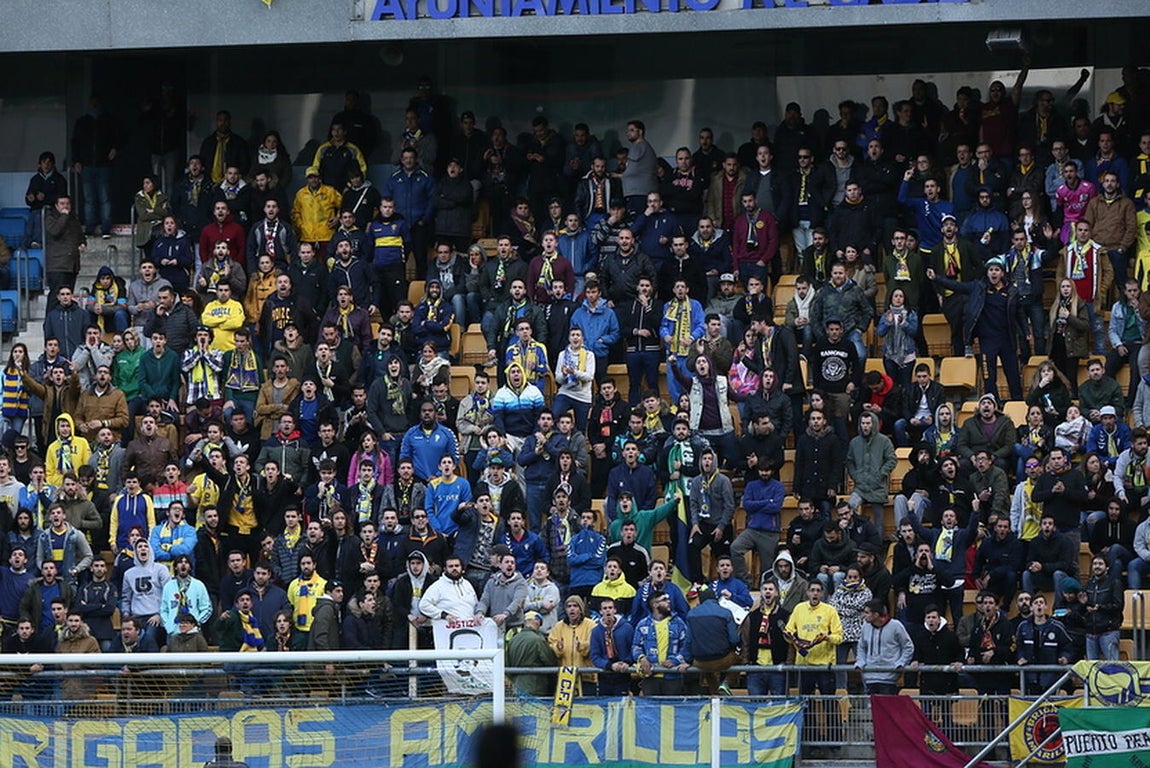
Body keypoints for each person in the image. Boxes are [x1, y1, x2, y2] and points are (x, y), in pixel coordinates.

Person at [631, 591, 690, 695]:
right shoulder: (643, 624)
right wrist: (641, 658)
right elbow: (636, 646)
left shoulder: (678, 623)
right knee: (651, 710)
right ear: (655, 605)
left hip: (673, 675)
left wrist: (676, 660)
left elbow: (686, 646)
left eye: (668, 599)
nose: (669, 602)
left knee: (671, 709)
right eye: (664, 600)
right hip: (651, 676)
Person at [685, 585, 740, 695]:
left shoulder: (691, 614)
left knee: (708, 670)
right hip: (722, 659)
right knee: (741, 659)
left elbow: (688, 641)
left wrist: (687, 660)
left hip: (699, 662)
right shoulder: (725, 612)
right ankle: (726, 683)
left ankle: (715, 694)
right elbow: (734, 639)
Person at [855, 598, 914, 695]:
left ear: (876, 614)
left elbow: (908, 646)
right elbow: (861, 647)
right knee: (872, 708)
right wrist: (861, 662)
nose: (864, 615)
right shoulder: (865, 626)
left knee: (887, 708)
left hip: (889, 677)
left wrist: (901, 663)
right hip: (869, 676)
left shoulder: (896, 626)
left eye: (867, 613)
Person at [505, 610, 556, 696]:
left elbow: (507, 664)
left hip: (517, 687)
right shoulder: (538, 640)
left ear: (525, 623)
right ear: (537, 622)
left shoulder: (513, 640)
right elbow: (550, 662)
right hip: (536, 686)